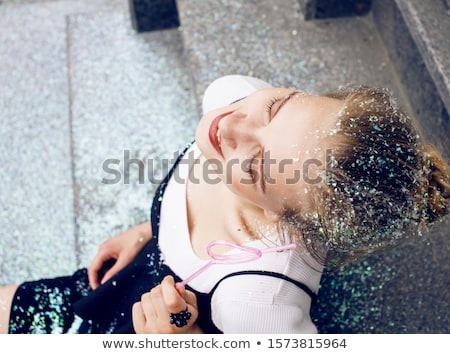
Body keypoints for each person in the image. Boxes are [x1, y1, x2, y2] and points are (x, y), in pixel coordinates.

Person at [1, 75, 449, 334]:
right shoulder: (233, 93)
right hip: (112, 287)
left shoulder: (255, 300)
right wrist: (147, 230)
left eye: (255, 167)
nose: (232, 127)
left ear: (288, 221)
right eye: (275, 106)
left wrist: (184, 340)